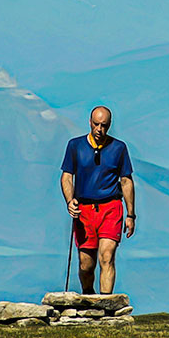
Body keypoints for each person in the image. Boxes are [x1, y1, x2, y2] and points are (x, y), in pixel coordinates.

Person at [60, 105, 136, 294]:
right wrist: (70, 201)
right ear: (90, 122)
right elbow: (67, 176)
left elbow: (126, 181)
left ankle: (106, 308)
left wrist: (131, 215)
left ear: (109, 125)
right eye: (96, 124)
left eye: (104, 125)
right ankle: (88, 295)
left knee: (106, 257)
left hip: (111, 207)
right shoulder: (75, 146)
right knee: (86, 265)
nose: (99, 130)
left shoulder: (119, 148)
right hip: (84, 210)